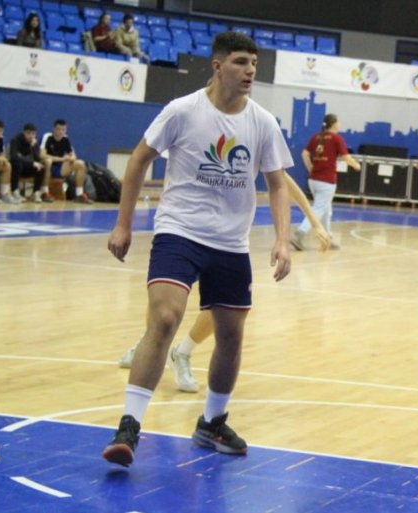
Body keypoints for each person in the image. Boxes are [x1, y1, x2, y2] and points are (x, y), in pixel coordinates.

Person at [102, 32, 294, 467]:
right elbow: (138, 160)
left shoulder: (263, 122)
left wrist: (282, 240)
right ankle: (129, 425)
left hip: (230, 242)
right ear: (217, 65)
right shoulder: (183, 110)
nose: (250, 71)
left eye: (254, 64)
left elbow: (278, 184)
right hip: (180, 231)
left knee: (230, 334)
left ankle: (212, 421)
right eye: (241, 62)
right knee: (165, 318)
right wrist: (123, 223)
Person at [118, 172, 331, 392]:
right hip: (182, 229)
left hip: (226, 237)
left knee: (222, 306)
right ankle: (150, 343)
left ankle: (182, 352)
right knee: (164, 298)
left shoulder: (252, 149)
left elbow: (283, 180)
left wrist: (314, 221)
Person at [289, 113, 360, 251]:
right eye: (338, 122)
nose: (339, 124)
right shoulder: (336, 138)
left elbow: (304, 154)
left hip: (313, 180)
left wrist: (310, 168)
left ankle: (327, 239)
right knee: (318, 209)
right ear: (334, 124)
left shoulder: (316, 137)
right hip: (326, 181)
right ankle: (299, 234)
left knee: (326, 211)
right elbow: (346, 157)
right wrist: (356, 165)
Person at [43, 119, 92, 204]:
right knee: (48, 161)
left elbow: (73, 155)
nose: (60, 132)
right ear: (54, 129)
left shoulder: (65, 139)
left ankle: (79, 194)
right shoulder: (47, 137)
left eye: (63, 130)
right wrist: (61, 159)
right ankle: (45, 193)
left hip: (60, 168)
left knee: (80, 163)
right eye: (58, 129)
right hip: (47, 167)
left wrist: (71, 158)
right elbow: (41, 155)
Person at [8, 123, 54, 203]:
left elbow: (37, 158)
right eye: (28, 133)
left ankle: (35, 192)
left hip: (27, 168)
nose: (31, 136)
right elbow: (14, 157)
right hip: (15, 168)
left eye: (33, 134)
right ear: (24, 133)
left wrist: (33, 147)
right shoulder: (15, 140)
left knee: (40, 168)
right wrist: (32, 163)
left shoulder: (33, 143)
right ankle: (14, 191)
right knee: (18, 164)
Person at [0, 119, 22, 205]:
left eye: (1, 131)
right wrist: (0, 159)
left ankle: (5, 194)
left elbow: (2, 155)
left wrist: (2, 160)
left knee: (7, 165)